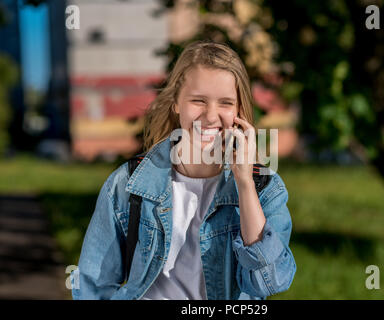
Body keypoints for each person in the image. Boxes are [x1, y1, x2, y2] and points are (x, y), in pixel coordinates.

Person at [71, 40, 296, 300]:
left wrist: (244, 183)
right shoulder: (128, 183)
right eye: (198, 100)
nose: (211, 116)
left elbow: (268, 282)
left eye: (225, 103)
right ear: (176, 103)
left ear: (240, 111)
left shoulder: (266, 189)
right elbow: (91, 286)